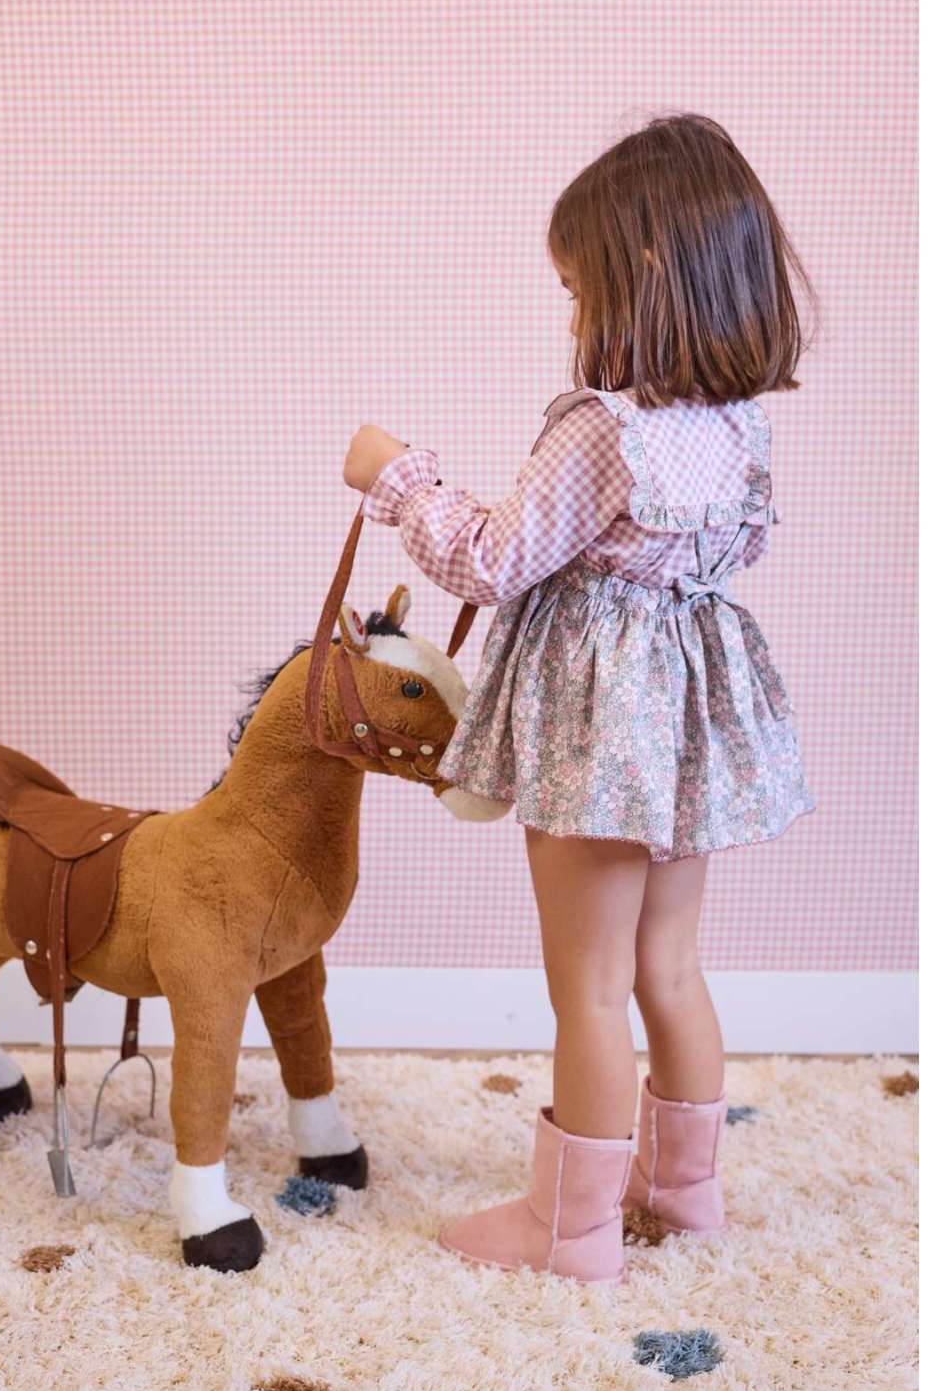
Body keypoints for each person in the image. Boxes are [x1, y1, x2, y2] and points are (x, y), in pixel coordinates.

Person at [342, 113, 817, 1286]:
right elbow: (734, 553)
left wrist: (398, 481)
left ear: (637, 271)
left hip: (597, 732)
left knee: (589, 987)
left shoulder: (600, 431)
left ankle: (571, 1231)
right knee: (669, 967)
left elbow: (492, 561)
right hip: (683, 721)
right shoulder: (737, 423)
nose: (570, 319)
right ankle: (683, 1195)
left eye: (575, 289)